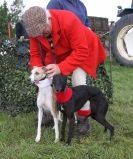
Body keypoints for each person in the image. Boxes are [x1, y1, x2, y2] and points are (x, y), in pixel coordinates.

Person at [22, 6, 106, 136]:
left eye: (42, 31)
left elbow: (81, 51)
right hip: (59, 51)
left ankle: (83, 120)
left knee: (78, 79)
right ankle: (52, 112)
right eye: (36, 34)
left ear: (48, 18)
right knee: (47, 79)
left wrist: (60, 68)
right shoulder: (35, 31)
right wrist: (38, 72)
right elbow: (35, 54)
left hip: (84, 49)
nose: (39, 35)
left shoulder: (69, 20)